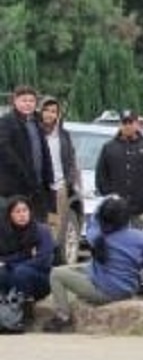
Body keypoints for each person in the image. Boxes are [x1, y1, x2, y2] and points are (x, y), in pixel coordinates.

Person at [41, 196, 143, 332]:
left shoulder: (97, 236)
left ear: (103, 217)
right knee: (76, 268)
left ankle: (62, 316)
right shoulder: (139, 237)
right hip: (129, 288)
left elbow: (93, 220)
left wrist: (102, 205)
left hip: (105, 292)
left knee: (57, 274)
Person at [35, 97, 81, 261]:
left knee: (54, 227)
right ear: (40, 111)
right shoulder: (34, 132)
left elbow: (71, 159)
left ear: (58, 114)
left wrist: (70, 180)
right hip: (39, 187)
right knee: (37, 224)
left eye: (53, 111)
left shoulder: (63, 135)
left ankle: (48, 258)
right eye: (46, 110)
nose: (49, 114)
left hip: (59, 187)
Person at [95, 110, 143, 223]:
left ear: (137, 124)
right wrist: (109, 196)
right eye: (124, 123)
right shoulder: (109, 147)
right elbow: (101, 175)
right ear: (120, 124)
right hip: (115, 210)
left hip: (141, 209)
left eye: (131, 122)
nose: (128, 126)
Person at [0, 85, 50, 220]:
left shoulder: (36, 122)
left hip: (38, 186)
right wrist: (23, 172)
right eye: (24, 100)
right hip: (14, 186)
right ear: (15, 101)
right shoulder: (6, 122)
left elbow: (43, 152)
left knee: (38, 224)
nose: (28, 104)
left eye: (31, 101)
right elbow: (4, 149)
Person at [0, 194, 55, 306]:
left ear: (30, 212)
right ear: (10, 215)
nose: (22, 215)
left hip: (39, 277)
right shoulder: (5, 233)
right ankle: (6, 306)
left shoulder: (41, 231)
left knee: (21, 272)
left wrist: (8, 262)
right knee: (2, 273)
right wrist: (26, 254)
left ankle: (26, 307)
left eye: (25, 210)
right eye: (17, 211)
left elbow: (43, 261)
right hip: (14, 272)